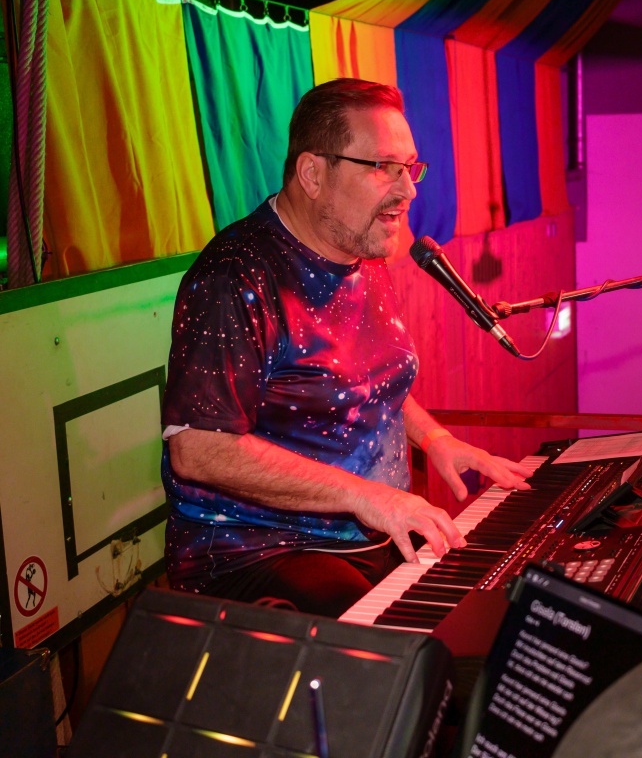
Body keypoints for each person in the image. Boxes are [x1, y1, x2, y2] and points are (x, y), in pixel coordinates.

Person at [161, 78, 533, 617]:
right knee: (389, 650)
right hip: (261, 551)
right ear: (313, 174)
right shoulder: (233, 277)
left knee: (489, 612)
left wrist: (437, 439)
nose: (407, 191)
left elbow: (362, 384)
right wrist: (368, 495)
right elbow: (198, 449)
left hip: (366, 535)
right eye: (384, 167)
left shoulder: (359, 249)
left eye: (410, 168)